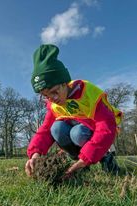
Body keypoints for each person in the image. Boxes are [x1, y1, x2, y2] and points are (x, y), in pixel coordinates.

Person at [25, 44, 123, 179]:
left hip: (99, 131)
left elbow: (106, 126)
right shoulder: (54, 104)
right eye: (46, 95)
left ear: (65, 83)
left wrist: (87, 156)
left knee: (78, 133)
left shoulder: (87, 93)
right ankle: (77, 160)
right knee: (56, 128)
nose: (52, 99)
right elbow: (46, 129)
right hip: (79, 131)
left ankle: (106, 157)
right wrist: (35, 153)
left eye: (54, 92)